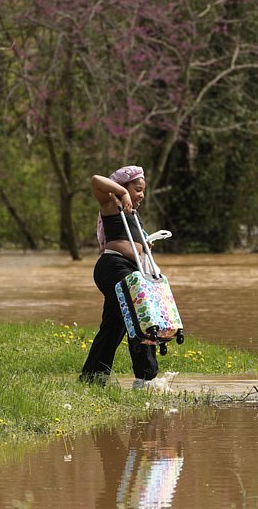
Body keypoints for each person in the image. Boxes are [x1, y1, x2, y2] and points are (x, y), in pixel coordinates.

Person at [79, 165, 159, 388]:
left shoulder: (134, 215)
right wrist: (122, 193)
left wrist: (144, 244)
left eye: (143, 190)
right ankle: (146, 378)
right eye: (138, 189)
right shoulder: (112, 203)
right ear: (123, 186)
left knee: (115, 324)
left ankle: (93, 376)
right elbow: (95, 177)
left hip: (132, 270)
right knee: (140, 314)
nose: (142, 194)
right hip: (113, 266)